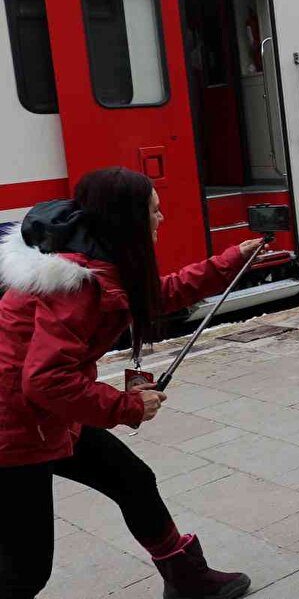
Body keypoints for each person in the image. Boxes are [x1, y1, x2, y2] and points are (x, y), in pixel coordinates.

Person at [0, 168, 257, 599]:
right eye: (154, 212)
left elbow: (153, 296)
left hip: (45, 417)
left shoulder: (92, 258)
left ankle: (188, 581)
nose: (162, 219)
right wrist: (126, 407)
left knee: (131, 478)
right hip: (15, 428)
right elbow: (45, 381)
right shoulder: (76, 284)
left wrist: (230, 262)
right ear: (127, 220)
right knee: (26, 572)